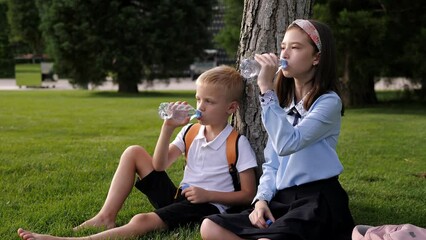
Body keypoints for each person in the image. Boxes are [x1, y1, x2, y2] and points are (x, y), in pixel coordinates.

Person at [17, 65, 258, 240]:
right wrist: (167, 128)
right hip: (179, 196)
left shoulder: (237, 143)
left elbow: (248, 195)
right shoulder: (190, 132)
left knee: (143, 221)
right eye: (198, 99)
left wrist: (208, 195)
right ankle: (106, 216)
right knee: (133, 152)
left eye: (209, 102)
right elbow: (160, 164)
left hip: (208, 207)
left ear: (231, 108)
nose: (200, 107)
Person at [200, 19, 354, 240]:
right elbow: (272, 163)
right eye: (283, 47)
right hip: (282, 199)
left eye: (295, 47)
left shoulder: (328, 102)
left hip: (317, 199)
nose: (285, 54)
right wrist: (261, 200)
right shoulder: (281, 105)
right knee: (210, 227)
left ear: (316, 57)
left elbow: (287, 144)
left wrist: (266, 88)